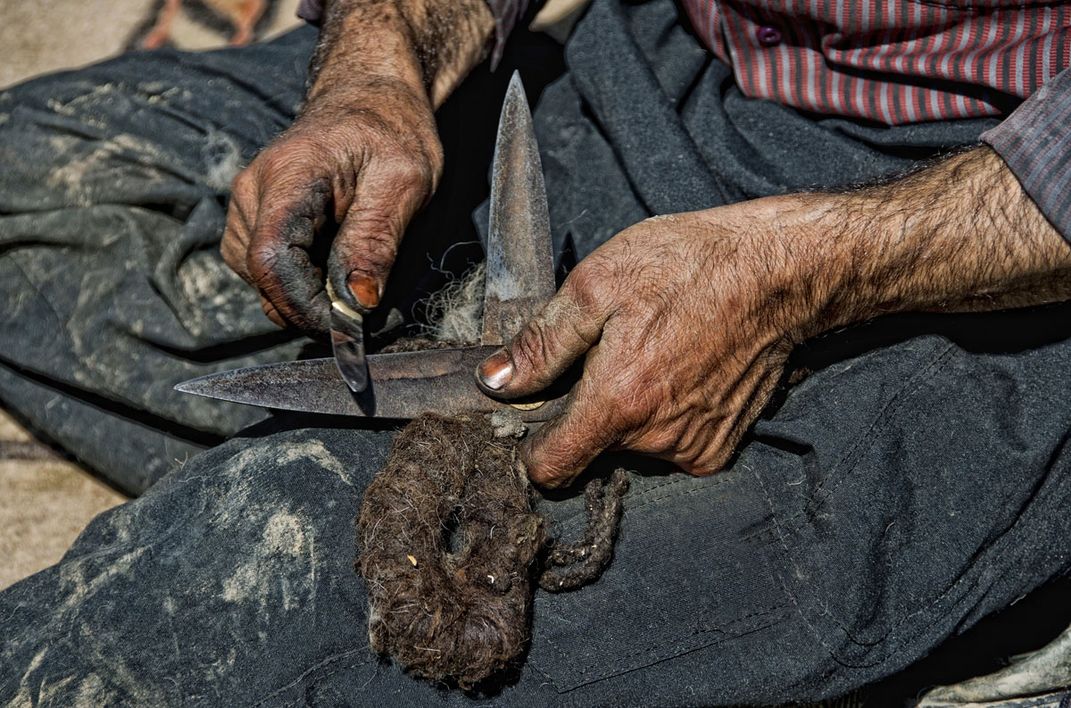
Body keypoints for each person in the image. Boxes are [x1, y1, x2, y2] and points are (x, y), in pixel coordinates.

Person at [0, 0, 1069, 704]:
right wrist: (378, 67)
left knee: (217, 599)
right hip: (673, 65)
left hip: (961, 234)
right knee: (33, 188)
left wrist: (795, 279)